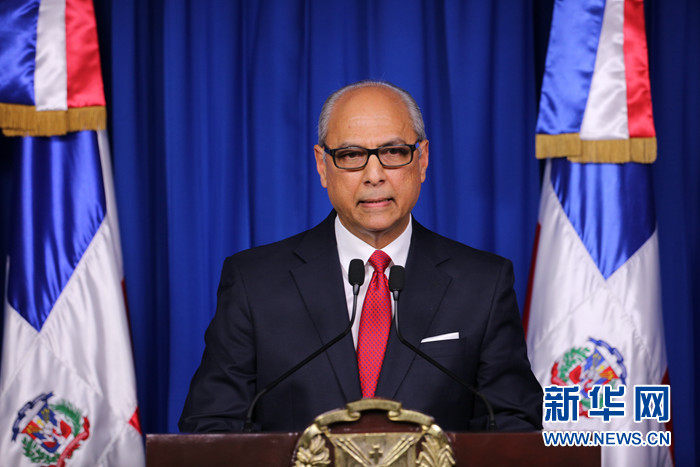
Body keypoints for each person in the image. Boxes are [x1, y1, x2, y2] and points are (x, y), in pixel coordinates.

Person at [179, 80, 543, 433]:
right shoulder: (254, 283)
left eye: (393, 152)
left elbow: (513, 426)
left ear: (422, 159)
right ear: (322, 165)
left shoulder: (483, 284)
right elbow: (211, 426)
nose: (374, 175)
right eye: (351, 155)